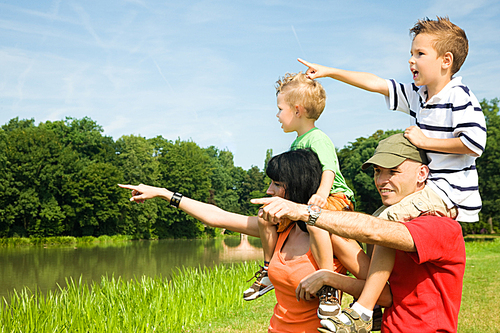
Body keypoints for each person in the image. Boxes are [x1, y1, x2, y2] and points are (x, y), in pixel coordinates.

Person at [297, 16, 485, 329]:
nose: (411, 60)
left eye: (420, 54)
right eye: (411, 53)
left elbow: (475, 142)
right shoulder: (420, 95)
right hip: (430, 186)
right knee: (376, 220)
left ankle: (364, 308)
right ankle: (376, 296)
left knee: (382, 224)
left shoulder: (459, 96)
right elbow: (376, 83)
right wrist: (330, 72)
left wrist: (426, 141)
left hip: (448, 191)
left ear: (445, 61)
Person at [119, 149, 377, 333]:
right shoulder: (281, 230)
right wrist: (164, 194)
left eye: (276, 184)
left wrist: (329, 278)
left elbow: (381, 293)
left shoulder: (332, 235)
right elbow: (218, 217)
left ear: (297, 187)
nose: (268, 190)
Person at [252, 134, 466, 333]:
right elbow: (386, 290)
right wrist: (330, 277)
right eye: (377, 172)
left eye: (393, 172)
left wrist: (303, 211)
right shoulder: (389, 220)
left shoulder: (439, 226)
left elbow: (374, 231)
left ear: (422, 174)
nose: (381, 181)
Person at [245, 72, 355, 321]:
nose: (276, 115)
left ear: (297, 110)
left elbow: (328, 170)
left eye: (279, 108)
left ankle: (328, 286)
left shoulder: (318, 138)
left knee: (314, 223)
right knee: (264, 217)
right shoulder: (297, 143)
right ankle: (267, 269)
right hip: (306, 199)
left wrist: (319, 197)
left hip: (333, 196)